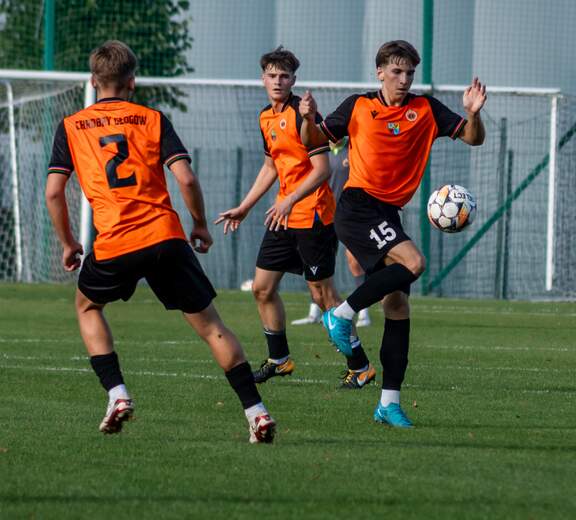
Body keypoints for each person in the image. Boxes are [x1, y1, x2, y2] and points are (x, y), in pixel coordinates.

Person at [45, 40, 276, 443]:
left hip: (115, 241)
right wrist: (200, 225)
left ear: (93, 81)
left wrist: (68, 243)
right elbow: (185, 178)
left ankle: (117, 393)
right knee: (212, 327)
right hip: (164, 237)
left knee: (87, 306)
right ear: (132, 81)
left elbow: (53, 192)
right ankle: (256, 413)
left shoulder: (71, 126)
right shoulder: (152, 119)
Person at [299, 40, 486, 426]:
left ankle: (388, 403)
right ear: (380, 72)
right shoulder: (358, 106)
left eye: (410, 73)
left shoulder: (426, 109)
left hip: (387, 214)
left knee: (398, 306)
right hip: (357, 206)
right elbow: (312, 141)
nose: (404, 79)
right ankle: (341, 315)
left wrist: (472, 113)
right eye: (397, 72)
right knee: (414, 262)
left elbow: (473, 137)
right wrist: (307, 119)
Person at [215, 46, 375, 389]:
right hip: (284, 215)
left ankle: (360, 365)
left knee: (323, 296)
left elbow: (321, 169)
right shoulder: (265, 117)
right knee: (262, 288)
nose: (278, 81)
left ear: (293, 80)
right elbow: (270, 166)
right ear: (263, 79)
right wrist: (245, 206)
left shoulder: (304, 116)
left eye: (284, 76)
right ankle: (279, 360)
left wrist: (289, 200)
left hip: (313, 215)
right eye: (272, 75)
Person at [291, 137, 371, 327]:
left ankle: (363, 314)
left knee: (355, 261)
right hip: (323, 214)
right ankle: (314, 313)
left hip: (349, 214)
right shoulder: (319, 151)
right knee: (318, 263)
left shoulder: (354, 148)